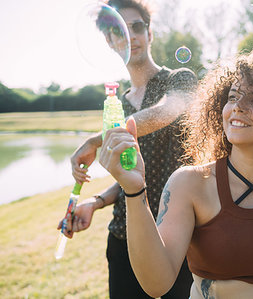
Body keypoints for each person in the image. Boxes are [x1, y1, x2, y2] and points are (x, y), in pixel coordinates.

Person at [99, 42, 253, 299]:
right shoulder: (189, 184)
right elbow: (156, 284)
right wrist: (135, 191)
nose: (238, 107)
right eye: (233, 97)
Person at [57, 0, 197, 298]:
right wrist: (95, 202)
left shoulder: (180, 79)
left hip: (177, 238)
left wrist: (96, 140)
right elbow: (128, 177)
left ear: (150, 34)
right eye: (120, 31)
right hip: (123, 239)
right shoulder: (116, 104)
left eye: (137, 27)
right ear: (109, 42)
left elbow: (166, 112)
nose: (130, 36)